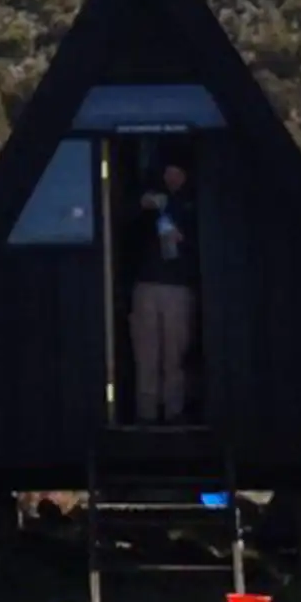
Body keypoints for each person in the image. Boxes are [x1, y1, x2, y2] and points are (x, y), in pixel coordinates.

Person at [129, 161, 198, 424]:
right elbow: (121, 220)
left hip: (178, 287)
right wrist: (142, 205)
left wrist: (182, 237)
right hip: (146, 285)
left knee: (174, 355)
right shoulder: (148, 200)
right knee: (146, 354)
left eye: (177, 171)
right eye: (168, 171)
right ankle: (146, 414)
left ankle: (174, 412)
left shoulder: (193, 204)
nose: (172, 177)